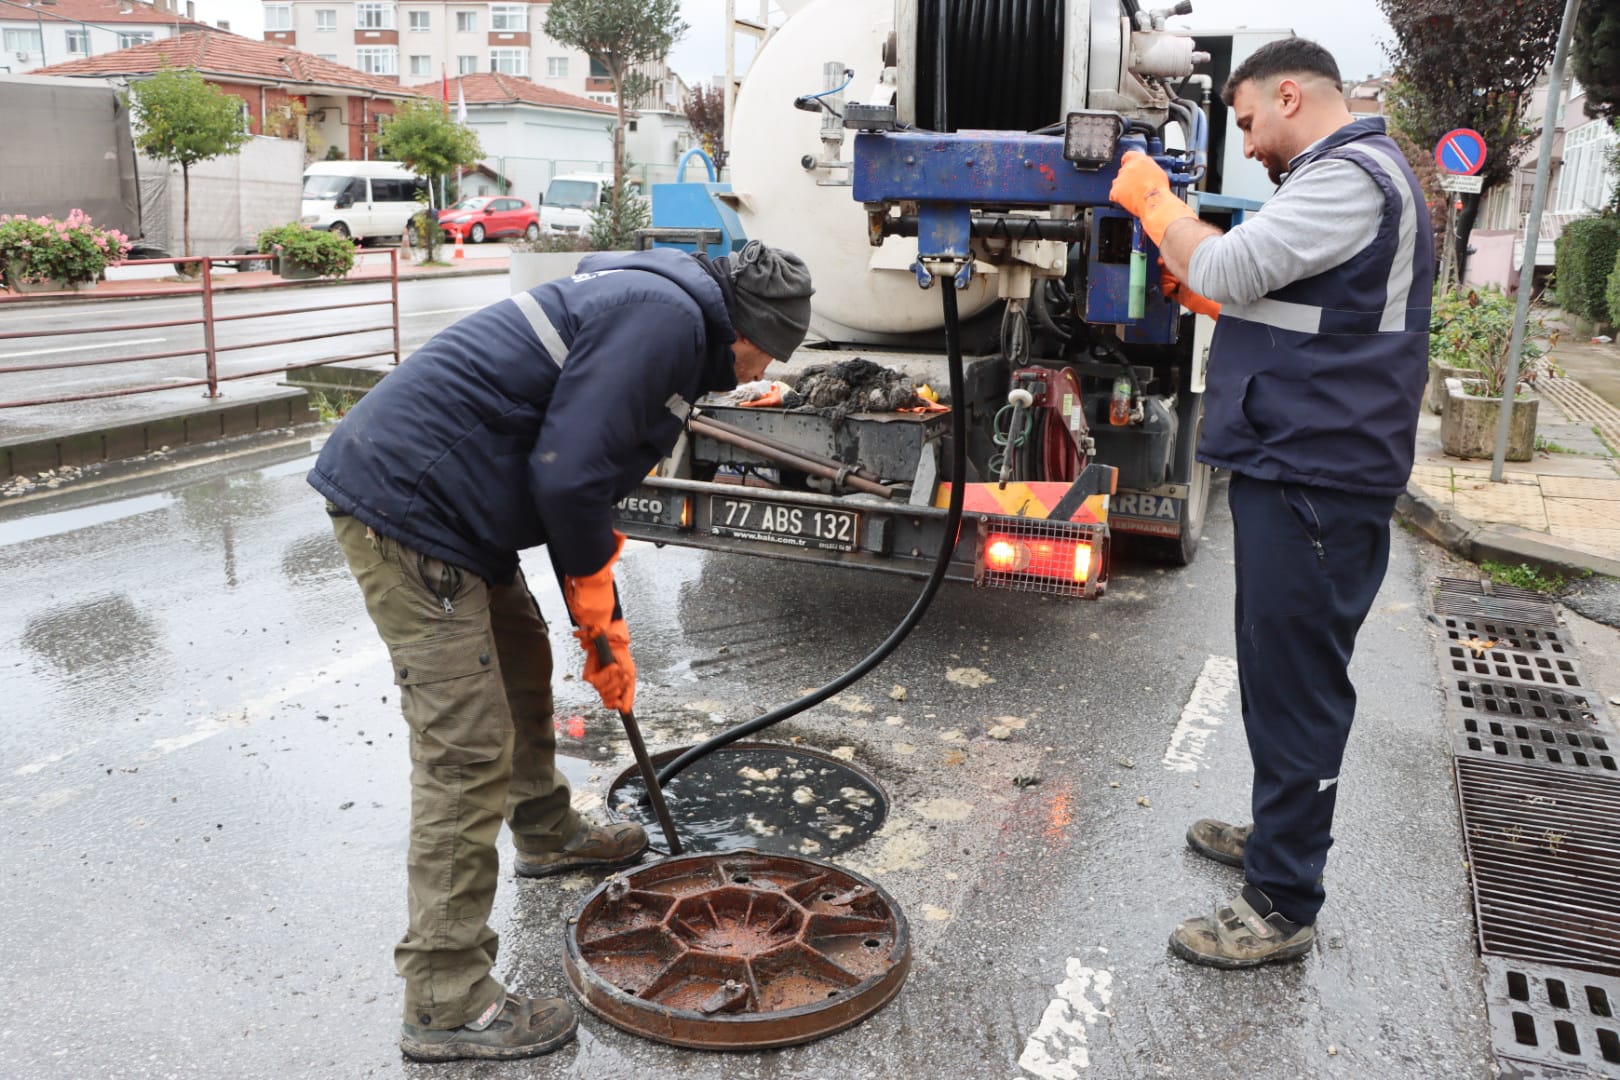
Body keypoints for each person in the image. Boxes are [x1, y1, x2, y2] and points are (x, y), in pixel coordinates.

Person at [307, 240, 815, 1059]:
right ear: (748, 330)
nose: (761, 371)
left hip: (461, 513)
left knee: (522, 664)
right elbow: (569, 476)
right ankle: (445, 1000)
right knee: (465, 752)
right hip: (412, 509)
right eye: (769, 353)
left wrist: (596, 614)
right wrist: (597, 610)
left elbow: (577, 461)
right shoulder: (664, 319)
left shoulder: (659, 309)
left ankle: (546, 832)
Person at [1109, 38, 1433, 968]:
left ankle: (1282, 902)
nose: (1246, 145)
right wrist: (1221, 299)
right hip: (1300, 459)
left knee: (1298, 689)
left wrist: (1156, 202)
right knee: (1273, 670)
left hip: (1318, 473)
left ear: (1291, 94)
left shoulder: (1351, 178)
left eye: (1249, 122)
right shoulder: (1347, 177)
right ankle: (1278, 834)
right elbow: (1305, 306)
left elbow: (1228, 268)